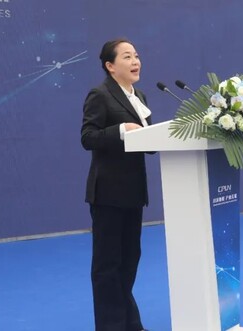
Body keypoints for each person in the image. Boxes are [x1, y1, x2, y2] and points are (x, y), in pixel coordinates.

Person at [81, 38, 153, 331]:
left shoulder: (140, 96)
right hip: (108, 193)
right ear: (110, 66)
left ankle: (130, 324)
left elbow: (149, 141)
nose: (135, 61)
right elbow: (88, 137)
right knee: (107, 265)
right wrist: (121, 129)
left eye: (136, 55)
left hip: (133, 193)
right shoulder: (100, 95)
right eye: (127, 57)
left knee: (129, 261)